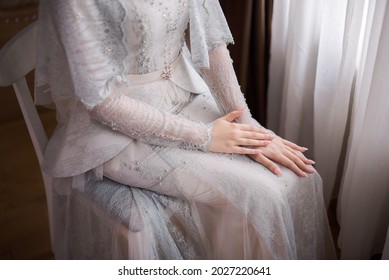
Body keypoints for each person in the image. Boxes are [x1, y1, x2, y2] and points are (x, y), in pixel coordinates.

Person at [35, 0, 336, 259]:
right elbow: (101, 103)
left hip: (185, 94)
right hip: (116, 132)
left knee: (299, 179)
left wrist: (247, 129)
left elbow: (212, 46)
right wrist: (205, 137)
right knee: (262, 196)